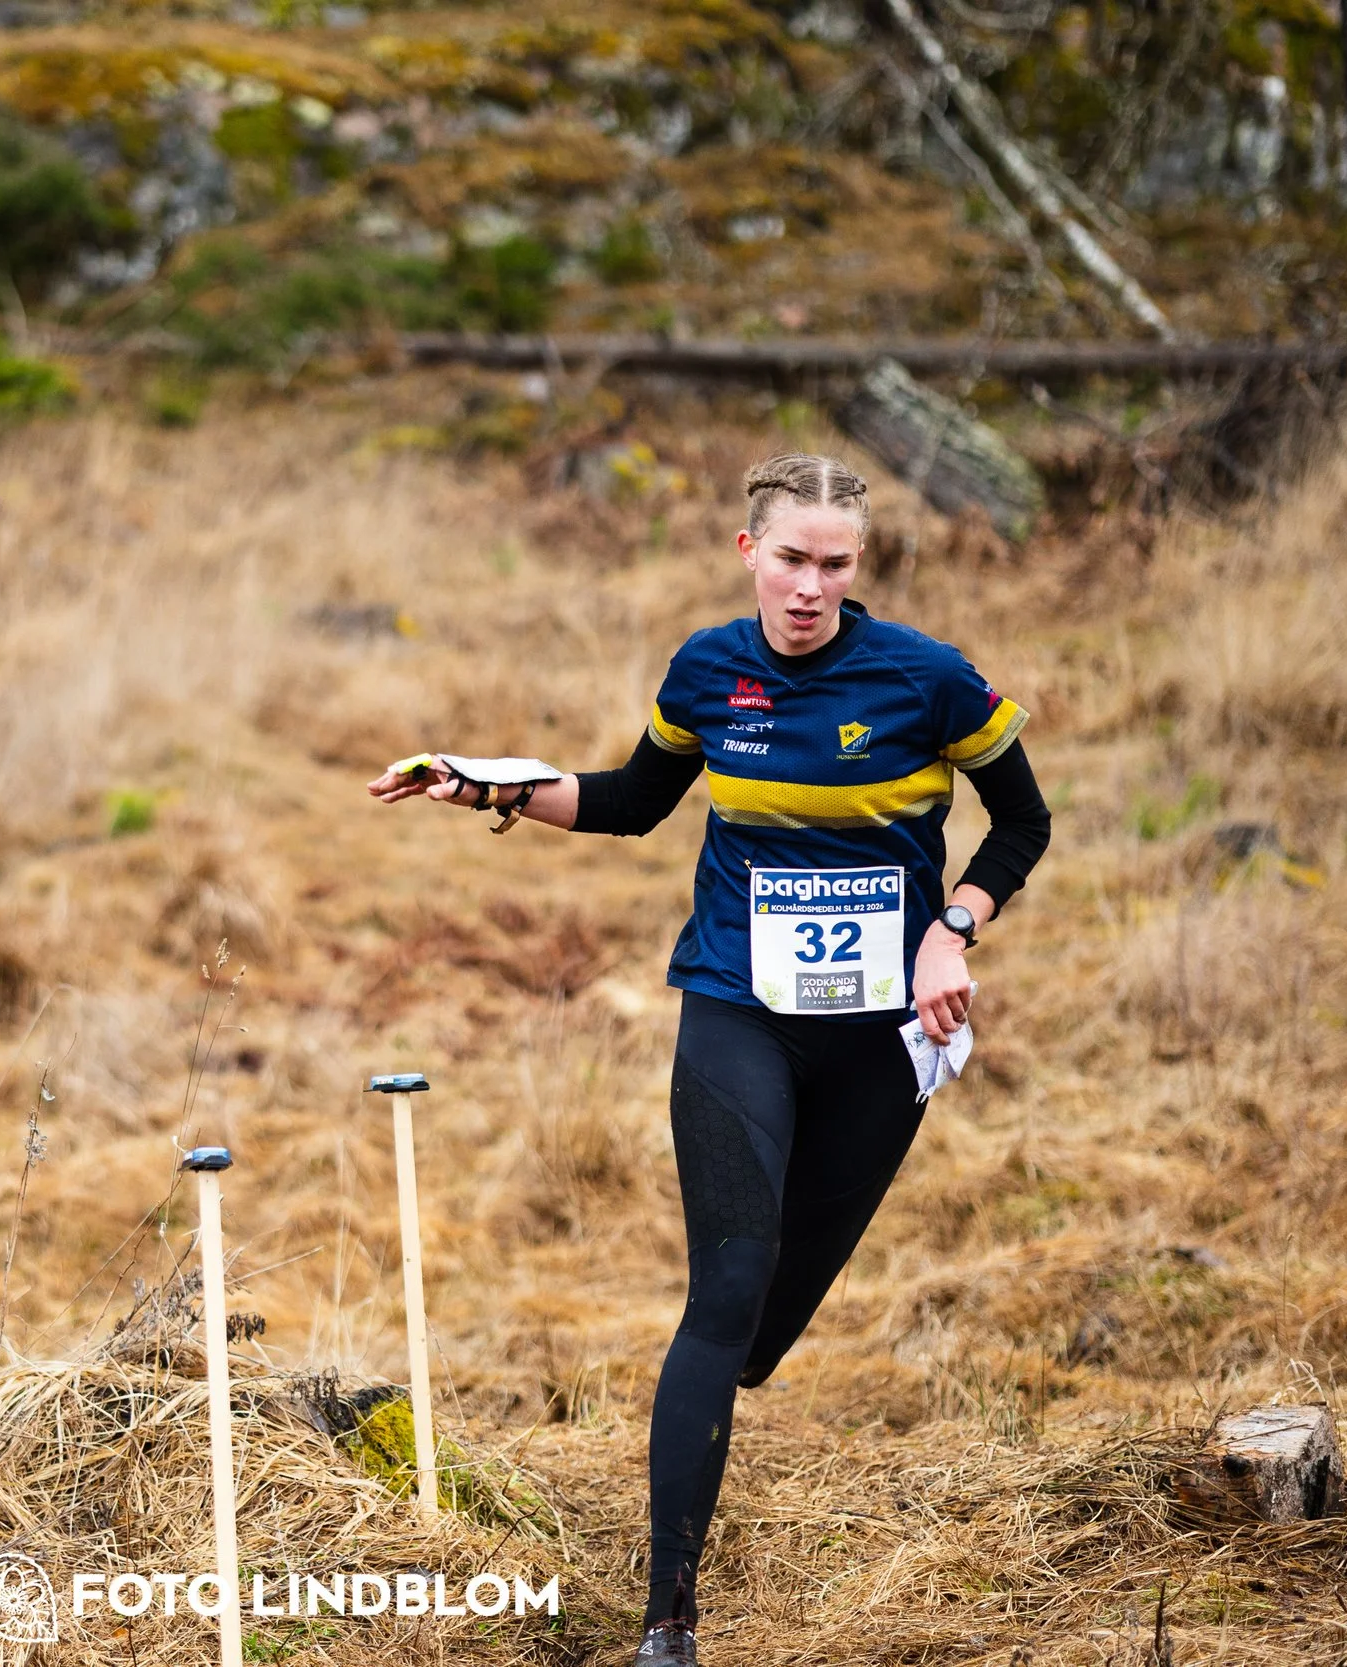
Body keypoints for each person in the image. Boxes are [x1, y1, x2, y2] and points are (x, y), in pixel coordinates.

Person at [368, 454, 1052, 1666]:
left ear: (858, 567)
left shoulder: (928, 679)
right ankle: (667, 1622)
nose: (810, 586)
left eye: (835, 565)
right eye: (791, 558)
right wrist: (481, 783)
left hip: (884, 1034)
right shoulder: (706, 669)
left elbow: (1024, 821)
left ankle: (731, 1385)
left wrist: (955, 927)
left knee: (769, 1321)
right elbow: (632, 797)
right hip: (737, 1005)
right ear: (750, 552)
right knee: (723, 1291)